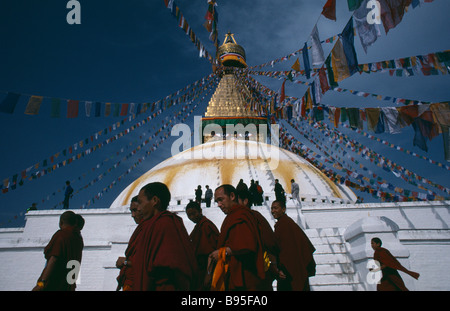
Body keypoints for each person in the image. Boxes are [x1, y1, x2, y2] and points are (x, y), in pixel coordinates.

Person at [132, 182, 198, 291]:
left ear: (154, 201)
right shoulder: (150, 225)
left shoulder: (165, 224)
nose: (138, 209)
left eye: (140, 202)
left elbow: (172, 267)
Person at [209, 184, 266, 291]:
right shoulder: (233, 215)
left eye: (221, 200)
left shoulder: (240, 215)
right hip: (234, 272)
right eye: (217, 201)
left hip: (245, 275)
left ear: (232, 196)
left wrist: (223, 252)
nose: (219, 204)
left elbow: (246, 245)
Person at [236, 182, 279, 291]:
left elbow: (269, 242)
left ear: (245, 201)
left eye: (237, 201)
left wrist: (273, 264)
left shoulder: (254, 217)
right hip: (239, 271)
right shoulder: (234, 219)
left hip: (255, 269)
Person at [32, 211, 84, 291]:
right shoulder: (79, 239)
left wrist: (41, 283)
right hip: (68, 285)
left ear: (61, 222)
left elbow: (53, 259)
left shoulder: (61, 235)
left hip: (53, 283)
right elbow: (76, 263)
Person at [271, 200, 316, 291]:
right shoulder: (285, 223)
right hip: (295, 269)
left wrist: (281, 268)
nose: (273, 211)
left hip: (289, 271)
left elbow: (286, 251)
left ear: (283, 209)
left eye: (276, 208)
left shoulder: (284, 225)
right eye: (272, 208)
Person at [186, 201, 219, 290]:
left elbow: (211, 253)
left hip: (206, 270)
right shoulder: (198, 226)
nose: (192, 217)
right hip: (199, 271)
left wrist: (208, 274)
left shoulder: (206, 226)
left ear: (200, 211)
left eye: (194, 213)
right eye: (189, 215)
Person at [116, 196, 143, 291]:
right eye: (131, 211)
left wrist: (125, 262)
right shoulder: (140, 230)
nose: (133, 215)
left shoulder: (150, 229)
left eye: (135, 210)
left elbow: (148, 262)